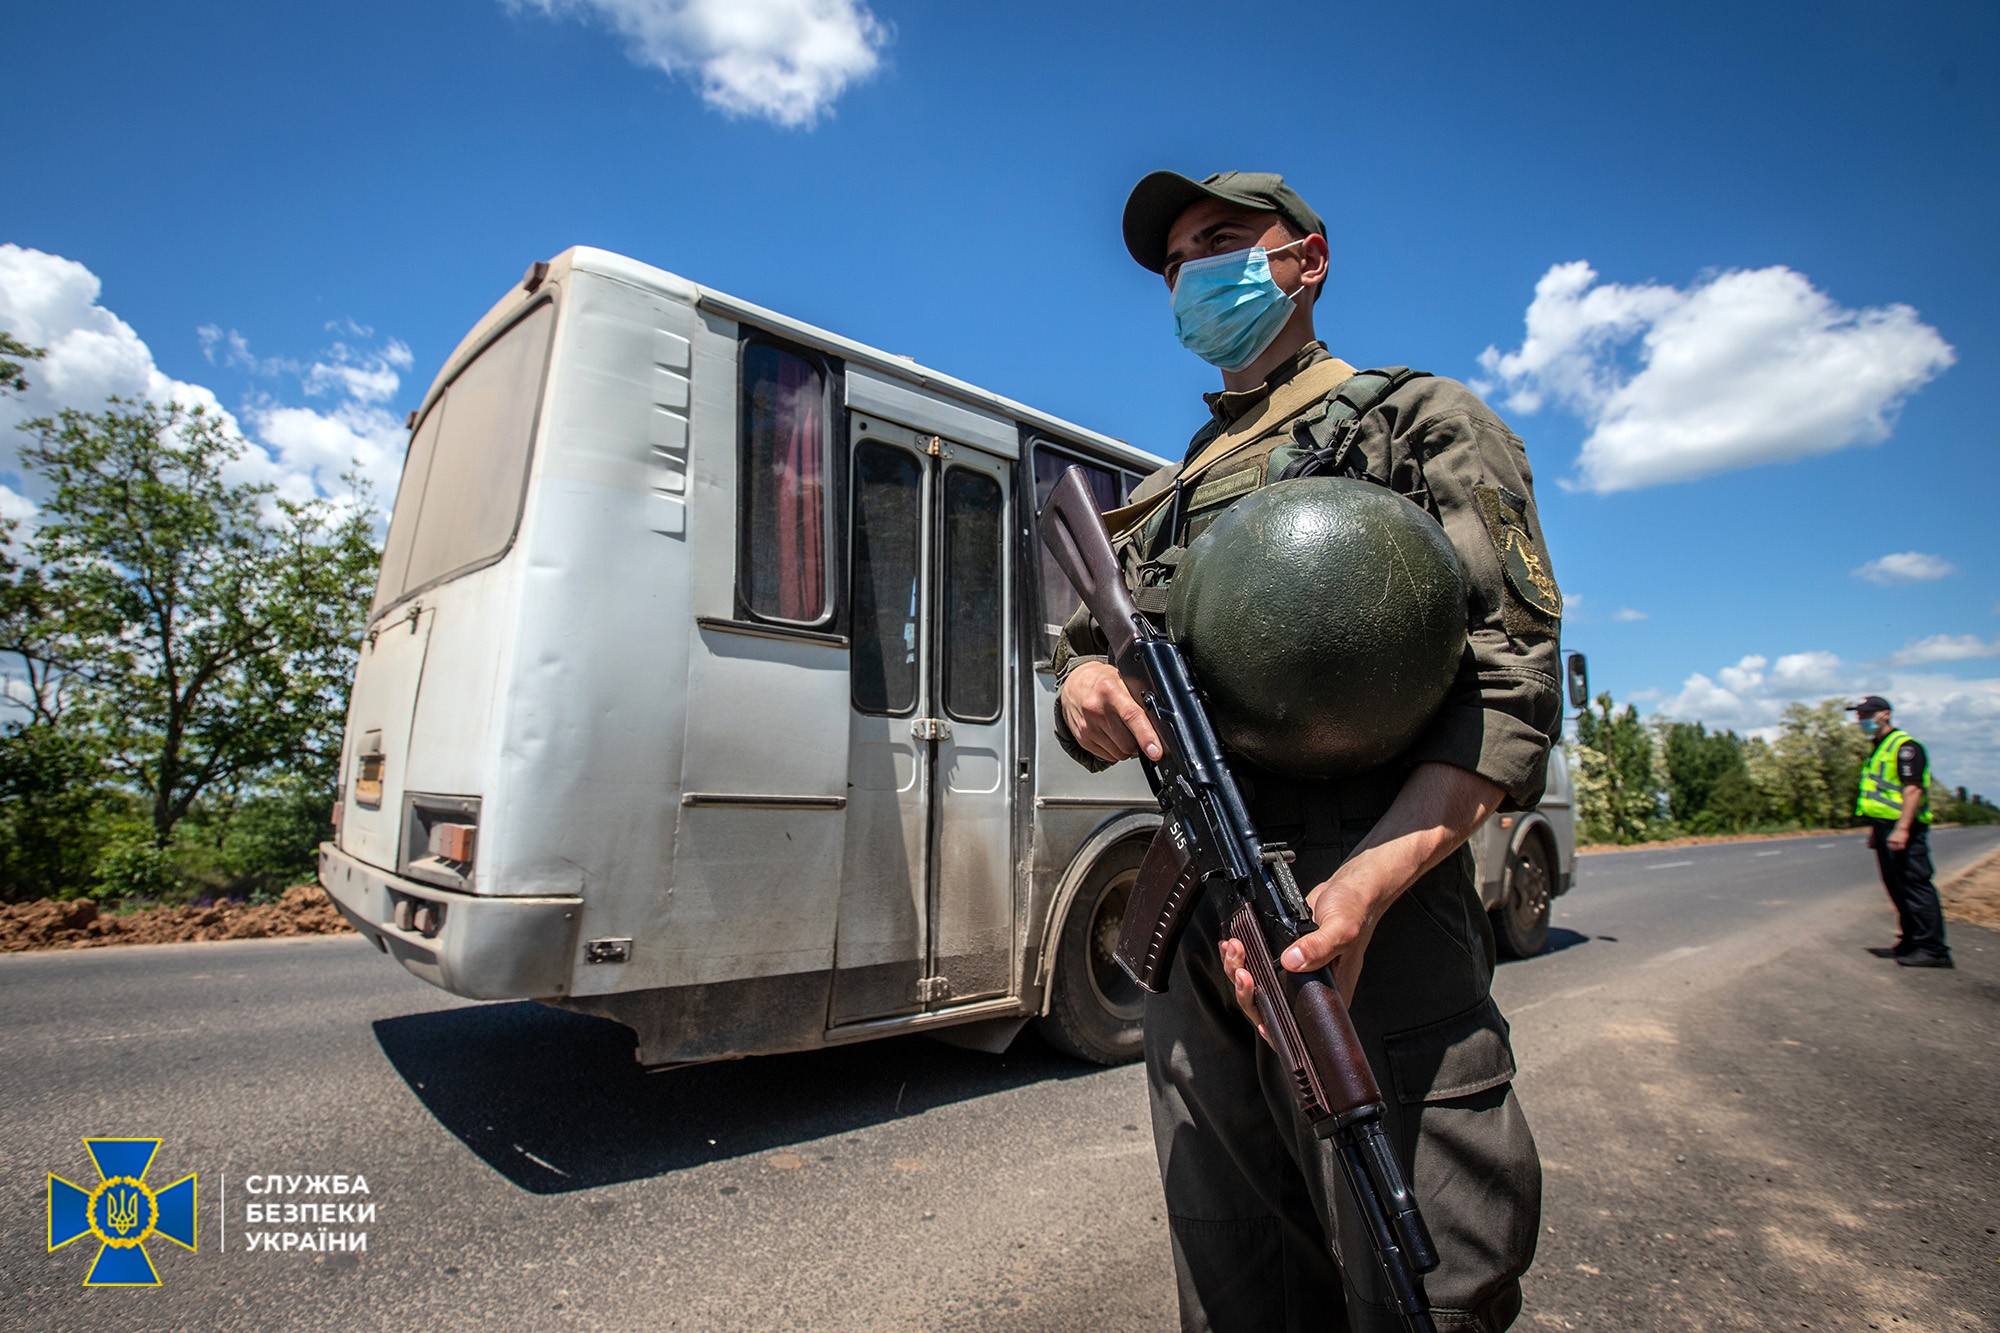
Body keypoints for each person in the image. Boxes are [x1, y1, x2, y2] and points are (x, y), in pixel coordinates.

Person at [1052, 169, 1559, 1332]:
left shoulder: (1415, 421)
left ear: (1307, 260)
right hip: (1200, 906)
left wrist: (1371, 883)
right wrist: (1081, 680)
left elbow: (1508, 679)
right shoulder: (1165, 493)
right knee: (1235, 1274)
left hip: (1366, 881)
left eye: (1222, 242)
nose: (1193, 275)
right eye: (1176, 262)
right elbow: (1089, 651)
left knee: (1423, 1272)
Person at [1848, 695, 1952, 968]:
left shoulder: (1905, 747)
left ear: (1884, 714)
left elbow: (1913, 789)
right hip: (1885, 827)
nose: (1861, 720)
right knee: (1896, 886)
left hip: (1904, 827)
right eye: (1859, 715)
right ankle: (1911, 939)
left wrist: (1903, 828)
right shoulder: (1879, 746)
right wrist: (1877, 830)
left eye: (1866, 714)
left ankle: (1933, 949)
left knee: (1915, 885)